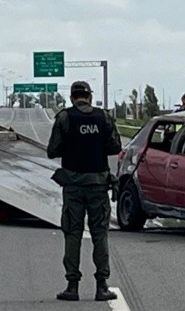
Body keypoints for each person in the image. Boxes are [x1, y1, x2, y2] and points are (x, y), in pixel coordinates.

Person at [47, 80, 121, 302]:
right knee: (100, 234)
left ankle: (72, 286)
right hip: (98, 184)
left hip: (73, 186)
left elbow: (53, 151)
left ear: (72, 97)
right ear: (89, 96)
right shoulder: (104, 117)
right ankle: (101, 286)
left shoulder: (64, 118)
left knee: (73, 233)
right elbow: (115, 147)